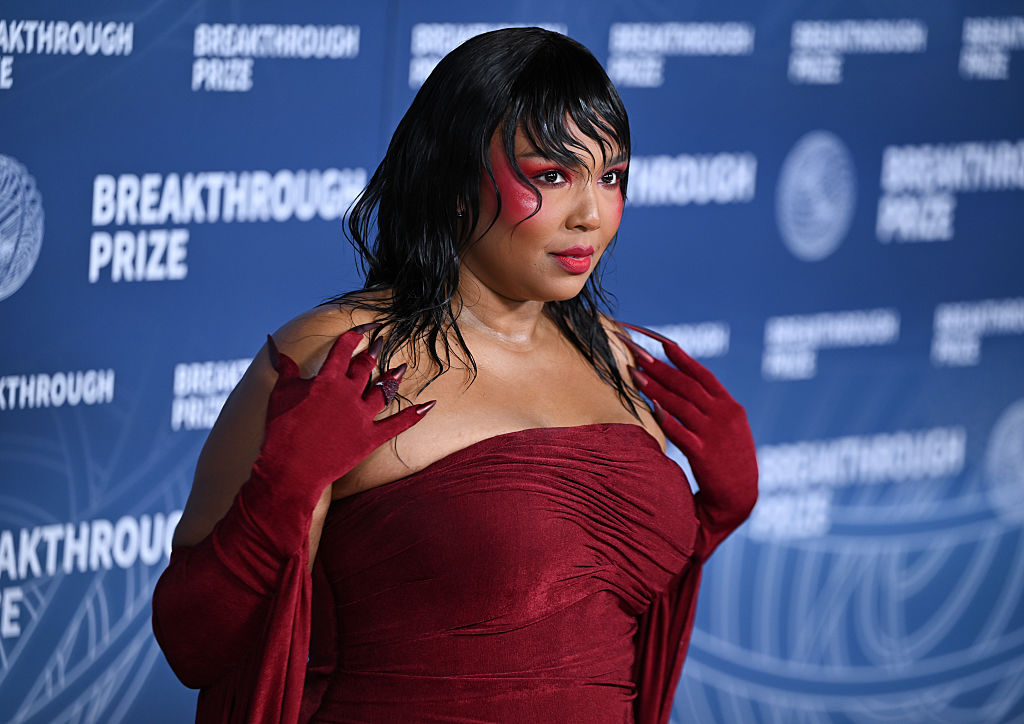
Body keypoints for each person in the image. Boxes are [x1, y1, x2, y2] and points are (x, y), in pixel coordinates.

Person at [152, 26, 758, 724]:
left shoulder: (619, 359)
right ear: (454, 181)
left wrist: (713, 517)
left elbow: (591, 619)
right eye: (551, 176)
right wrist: (278, 495)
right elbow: (194, 647)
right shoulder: (336, 359)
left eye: (610, 177)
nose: (591, 215)